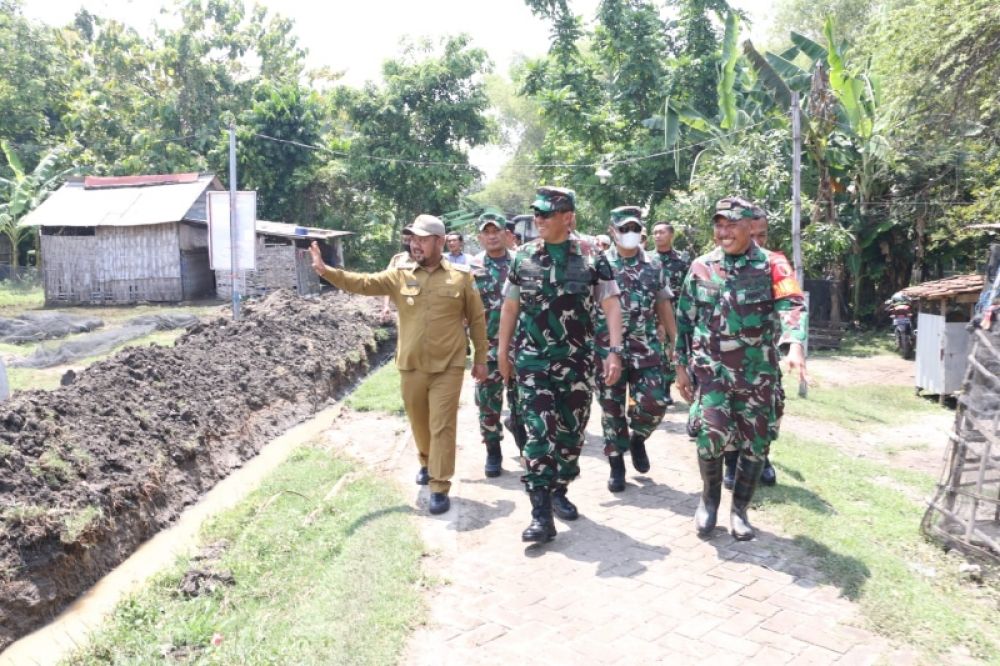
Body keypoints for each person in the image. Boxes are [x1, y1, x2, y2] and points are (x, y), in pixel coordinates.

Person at [310, 215, 489, 516]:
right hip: (412, 364)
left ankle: (440, 484)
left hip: (449, 365)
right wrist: (327, 272)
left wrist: (481, 359)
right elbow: (364, 283)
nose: (415, 244)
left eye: (421, 239)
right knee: (419, 422)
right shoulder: (399, 274)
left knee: (442, 425)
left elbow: (477, 319)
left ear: (440, 241)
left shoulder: (461, 277)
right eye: (412, 239)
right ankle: (425, 461)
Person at [674, 197, 807, 541]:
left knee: (755, 444)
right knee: (711, 436)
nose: (724, 231)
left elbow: (792, 305)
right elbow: (684, 322)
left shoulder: (773, 265)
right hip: (712, 373)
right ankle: (708, 501)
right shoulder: (701, 266)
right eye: (719, 224)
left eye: (732, 224)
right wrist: (680, 368)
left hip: (756, 375)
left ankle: (740, 511)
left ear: (751, 226)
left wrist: (794, 344)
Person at [498, 186, 624, 543]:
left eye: (546, 214)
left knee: (570, 436)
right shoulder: (522, 257)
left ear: (567, 217)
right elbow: (510, 307)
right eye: (535, 213)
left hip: (576, 364)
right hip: (532, 362)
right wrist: (501, 352)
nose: (538, 219)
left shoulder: (591, 256)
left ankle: (559, 488)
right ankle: (540, 515)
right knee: (539, 433)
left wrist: (614, 350)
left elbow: (611, 303)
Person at [595, 206, 677, 492]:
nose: (629, 234)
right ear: (612, 230)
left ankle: (638, 437)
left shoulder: (654, 265)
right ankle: (616, 465)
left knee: (655, 402)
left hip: (646, 348)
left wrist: (674, 342)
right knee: (611, 408)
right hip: (607, 349)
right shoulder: (599, 264)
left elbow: (663, 302)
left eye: (634, 228)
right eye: (624, 228)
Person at [470, 212, 518, 477]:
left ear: (505, 234)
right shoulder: (472, 270)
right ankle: (493, 452)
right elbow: (465, 311)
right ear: (480, 237)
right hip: (488, 348)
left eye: (495, 231)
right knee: (488, 404)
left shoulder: (520, 264)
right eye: (486, 232)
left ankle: (526, 447)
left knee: (523, 402)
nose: (491, 236)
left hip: (520, 347)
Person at [652, 222, 690, 406]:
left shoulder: (682, 261)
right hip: (653, 313)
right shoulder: (648, 259)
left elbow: (688, 288)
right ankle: (658, 388)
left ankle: (667, 385)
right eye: (655, 232)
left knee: (673, 349)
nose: (658, 235)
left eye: (662, 232)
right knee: (657, 350)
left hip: (676, 313)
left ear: (671, 235)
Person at [381, 229, 414, 322]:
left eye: (410, 240)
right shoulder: (397, 259)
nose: (407, 243)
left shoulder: (428, 260)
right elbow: (388, 283)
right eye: (405, 240)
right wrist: (386, 306)